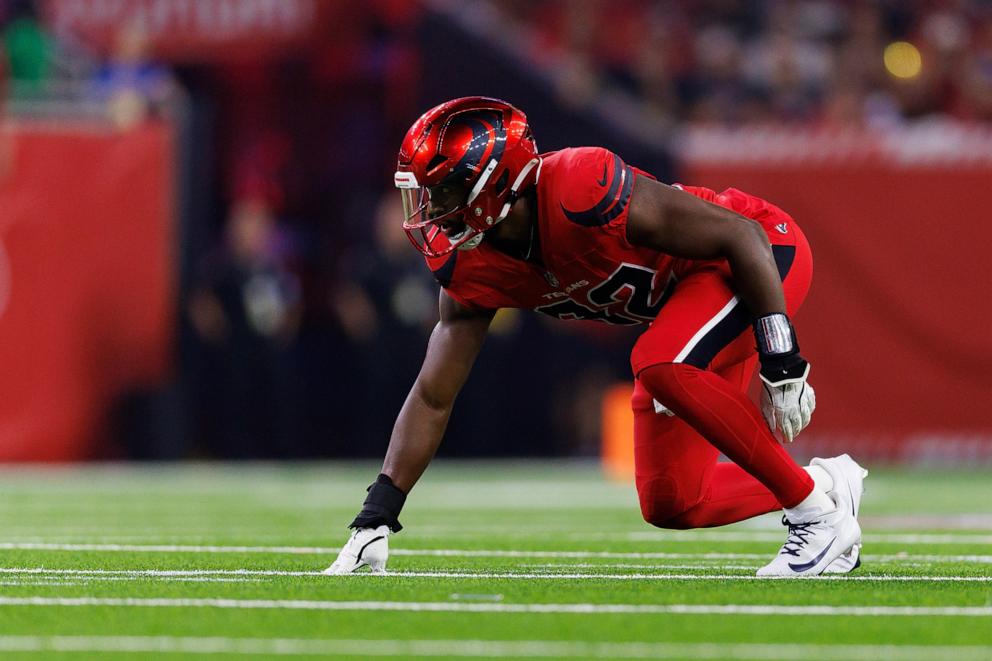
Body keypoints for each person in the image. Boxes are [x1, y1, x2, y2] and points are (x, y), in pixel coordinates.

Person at [325, 96, 867, 577]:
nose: (432, 211)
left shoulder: (579, 187)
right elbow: (432, 395)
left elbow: (739, 234)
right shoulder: (474, 267)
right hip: (691, 307)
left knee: (658, 362)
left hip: (761, 259)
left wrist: (782, 354)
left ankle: (816, 519)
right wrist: (378, 513)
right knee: (675, 502)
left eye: (442, 192)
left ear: (492, 186)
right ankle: (824, 487)